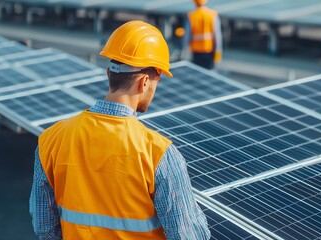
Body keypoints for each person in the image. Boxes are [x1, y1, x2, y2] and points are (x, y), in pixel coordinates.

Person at [29, 20, 211, 240]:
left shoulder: (51, 139)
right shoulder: (159, 154)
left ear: (109, 73)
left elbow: (45, 226)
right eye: (156, 82)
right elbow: (186, 236)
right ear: (144, 82)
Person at [182, 0, 223, 69]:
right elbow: (217, 36)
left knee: (198, 72)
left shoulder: (191, 15)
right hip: (209, 51)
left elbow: (186, 36)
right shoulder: (212, 14)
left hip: (196, 52)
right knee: (208, 73)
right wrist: (218, 53)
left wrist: (184, 51)